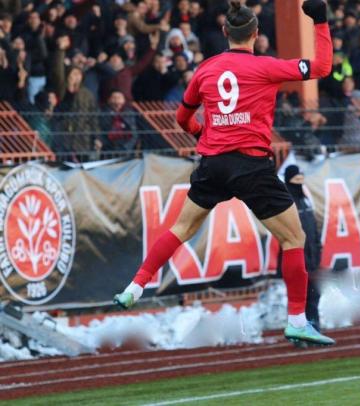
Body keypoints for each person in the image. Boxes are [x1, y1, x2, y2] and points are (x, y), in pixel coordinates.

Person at [114, 0, 335, 347]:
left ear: (224, 32)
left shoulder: (205, 70)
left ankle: (135, 285)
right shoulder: (267, 67)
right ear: (256, 34)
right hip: (251, 164)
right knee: (294, 239)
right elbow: (322, 66)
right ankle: (296, 320)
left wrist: (203, 132)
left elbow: (183, 118)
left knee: (180, 229)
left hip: (213, 163)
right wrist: (320, 21)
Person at [282, 165, 322, 331]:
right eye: (295, 180)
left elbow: (313, 229)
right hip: (298, 259)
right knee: (300, 298)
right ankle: (300, 331)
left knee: (313, 295)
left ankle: (313, 329)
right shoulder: (287, 202)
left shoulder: (305, 200)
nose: (299, 184)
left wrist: (317, 252)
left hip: (311, 260)